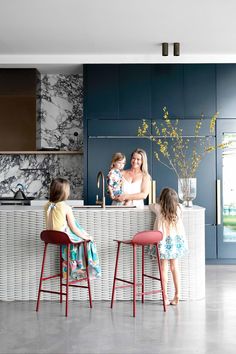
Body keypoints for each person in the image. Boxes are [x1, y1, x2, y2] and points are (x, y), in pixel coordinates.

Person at [44, 177, 101, 280]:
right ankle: (82, 268)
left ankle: (71, 268)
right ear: (65, 192)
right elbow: (74, 228)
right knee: (87, 241)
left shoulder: (48, 205)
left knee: (75, 238)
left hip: (50, 237)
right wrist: (86, 236)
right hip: (63, 237)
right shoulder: (65, 207)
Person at [149, 187, 188, 306]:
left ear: (162, 200)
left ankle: (165, 297)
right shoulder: (180, 208)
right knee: (175, 268)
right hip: (176, 243)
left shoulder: (158, 208)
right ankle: (177, 295)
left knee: (163, 268)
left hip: (163, 242)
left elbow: (150, 205)